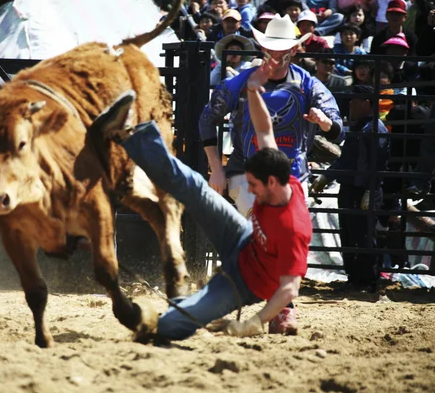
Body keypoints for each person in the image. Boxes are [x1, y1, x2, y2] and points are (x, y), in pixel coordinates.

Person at [91, 61, 312, 341]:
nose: (251, 191)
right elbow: (265, 129)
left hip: (244, 284)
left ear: (271, 183)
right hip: (242, 240)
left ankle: (168, 317)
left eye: (254, 186)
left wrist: (253, 322)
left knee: (173, 325)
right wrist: (254, 90)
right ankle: (129, 132)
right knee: (195, 185)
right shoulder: (281, 175)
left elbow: (290, 289)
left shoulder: (294, 227)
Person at [200, 14, 343, 220]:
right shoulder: (238, 83)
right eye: (270, 48)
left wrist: (325, 122)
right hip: (246, 172)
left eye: (282, 49)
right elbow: (207, 119)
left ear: (293, 50)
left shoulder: (309, 85)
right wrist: (216, 168)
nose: (275, 54)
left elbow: (336, 128)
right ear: (262, 47)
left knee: (286, 232)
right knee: (260, 228)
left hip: (294, 174)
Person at [310, 85, 390, 293]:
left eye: (354, 102)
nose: (350, 106)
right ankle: (355, 279)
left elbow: (378, 163)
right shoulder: (359, 128)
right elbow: (347, 160)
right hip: (350, 187)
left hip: (362, 188)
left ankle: (367, 281)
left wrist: (370, 191)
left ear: (366, 103)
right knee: (349, 234)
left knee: (363, 236)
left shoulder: (374, 129)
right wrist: (327, 176)